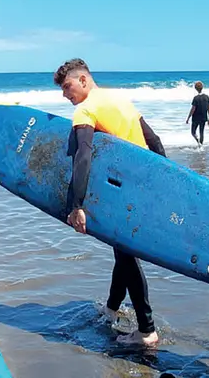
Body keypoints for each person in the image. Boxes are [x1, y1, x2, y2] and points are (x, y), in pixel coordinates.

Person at [53, 58, 165, 346]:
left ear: (83, 80)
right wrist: (166, 182)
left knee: (126, 257)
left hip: (121, 190)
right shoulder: (119, 99)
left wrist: (76, 205)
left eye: (67, 87)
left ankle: (147, 330)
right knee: (121, 251)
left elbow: (82, 156)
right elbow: (153, 140)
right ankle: (112, 307)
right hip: (142, 184)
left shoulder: (85, 109)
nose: (65, 95)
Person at [185, 81, 209, 146]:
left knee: (193, 132)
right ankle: (201, 146)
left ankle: (198, 141)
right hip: (204, 117)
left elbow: (193, 109)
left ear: (195, 88)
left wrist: (188, 118)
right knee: (201, 132)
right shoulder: (207, 97)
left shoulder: (196, 98)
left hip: (196, 118)